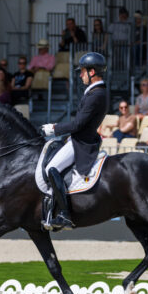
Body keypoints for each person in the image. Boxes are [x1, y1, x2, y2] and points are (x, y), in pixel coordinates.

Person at [40, 52, 109, 230]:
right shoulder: (95, 91)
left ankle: (64, 215)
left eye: (83, 71)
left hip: (82, 142)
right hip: (78, 138)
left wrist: (54, 129)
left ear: (92, 72)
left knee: (51, 169)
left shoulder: (96, 94)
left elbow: (78, 124)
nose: (80, 75)